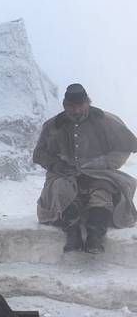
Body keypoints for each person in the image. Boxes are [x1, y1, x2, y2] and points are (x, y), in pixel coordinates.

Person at [33, 83, 137, 253]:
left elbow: (127, 146)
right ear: (65, 106)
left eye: (80, 105)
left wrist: (105, 162)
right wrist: (56, 164)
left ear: (87, 103)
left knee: (102, 191)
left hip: (101, 173)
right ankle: (72, 235)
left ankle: (95, 236)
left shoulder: (105, 121)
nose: (76, 111)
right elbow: (39, 154)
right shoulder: (53, 126)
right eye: (72, 107)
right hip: (65, 174)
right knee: (60, 189)